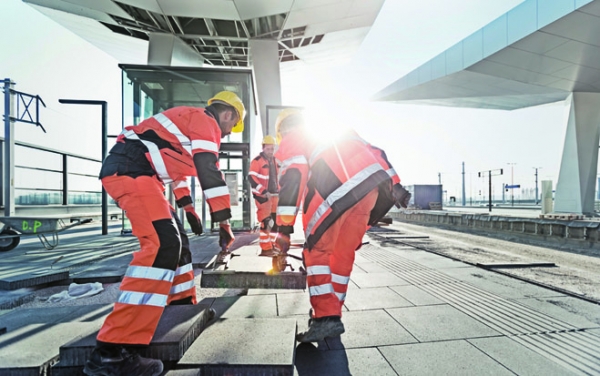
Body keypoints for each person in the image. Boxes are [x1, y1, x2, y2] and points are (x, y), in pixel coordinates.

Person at [83, 91, 245, 376]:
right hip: (132, 172)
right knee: (161, 246)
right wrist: (223, 221)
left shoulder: (185, 124)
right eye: (232, 126)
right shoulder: (204, 120)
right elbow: (208, 167)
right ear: (228, 114)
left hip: (142, 173)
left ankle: (180, 306)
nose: (229, 132)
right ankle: (112, 351)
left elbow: (174, 172)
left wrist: (189, 210)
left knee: (177, 243)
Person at [272, 109, 411, 343]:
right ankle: (333, 310)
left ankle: (325, 317)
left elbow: (294, 176)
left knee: (317, 251)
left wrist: (284, 229)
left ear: (283, 129)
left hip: (334, 189)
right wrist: (395, 185)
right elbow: (377, 153)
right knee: (343, 253)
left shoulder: (291, 138)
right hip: (370, 190)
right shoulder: (341, 132)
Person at [248, 135, 280, 256]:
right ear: (263, 148)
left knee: (275, 223)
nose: (270, 151)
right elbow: (251, 178)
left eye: (272, 149)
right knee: (266, 222)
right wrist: (262, 191)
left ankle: (271, 246)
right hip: (263, 197)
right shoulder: (257, 161)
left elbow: (276, 179)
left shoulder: (275, 161)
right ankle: (266, 249)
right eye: (268, 149)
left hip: (274, 196)